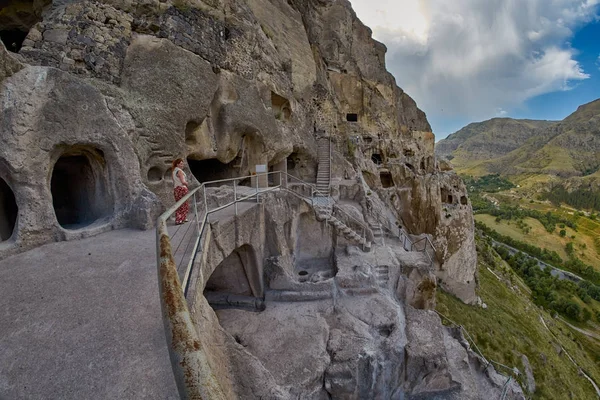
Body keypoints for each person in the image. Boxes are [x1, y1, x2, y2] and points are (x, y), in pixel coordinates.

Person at [172, 158, 189, 224]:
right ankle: (181, 219)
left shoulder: (173, 171)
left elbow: (174, 181)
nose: (182, 165)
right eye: (181, 163)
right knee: (184, 204)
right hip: (182, 188)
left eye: (182, 163)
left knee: (179, 204)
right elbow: (183, 181)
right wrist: (187, 183)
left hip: (176, 188)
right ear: (177, 164)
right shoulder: (180, 171)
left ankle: (180, 219)